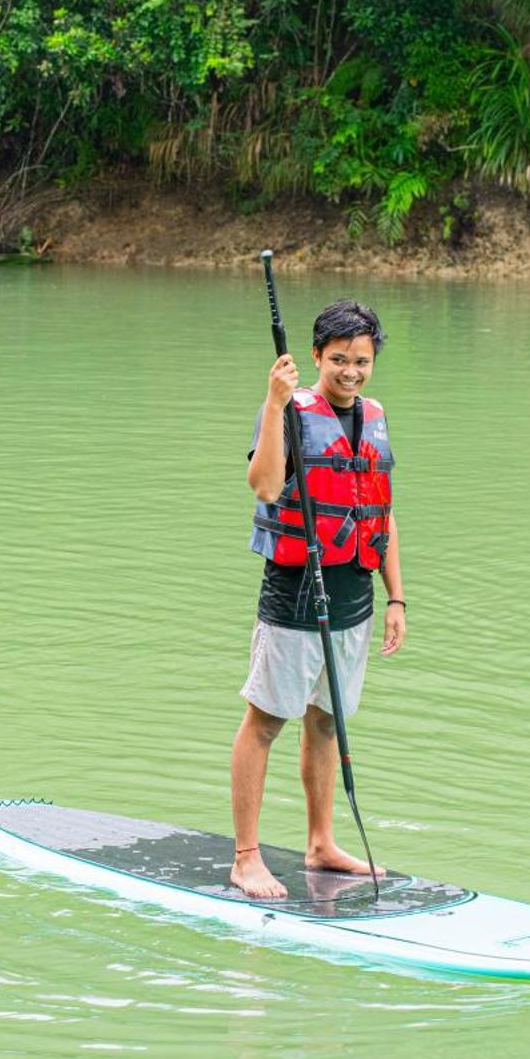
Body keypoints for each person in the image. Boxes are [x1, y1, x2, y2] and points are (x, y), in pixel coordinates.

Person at [231, 299, 407, 899]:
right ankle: (246, 856)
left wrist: (397, 599)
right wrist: (276, 402)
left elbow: (382, 513)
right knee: (266, 720)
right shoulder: (288, 409)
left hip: (354, 592)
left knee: (327, 721)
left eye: (361, 360)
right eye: (338, 360)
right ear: (315, 356)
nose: (351, 371)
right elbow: (265, 487)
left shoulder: (375, 416)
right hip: (297, 590)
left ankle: (321, 843)